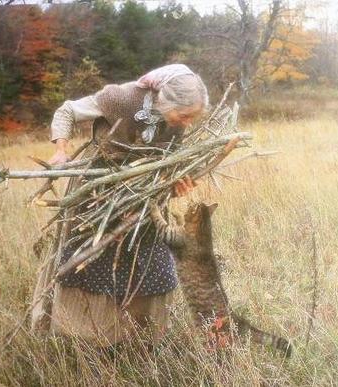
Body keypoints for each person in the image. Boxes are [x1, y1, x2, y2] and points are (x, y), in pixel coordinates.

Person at [31, 64, 210, 347]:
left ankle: (139, 337)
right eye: (185, 115)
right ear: (167, 100)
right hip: (99, 195)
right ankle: (88, 339)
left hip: (145, 201)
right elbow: (67, 111)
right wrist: (61, 150)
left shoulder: (176, 123)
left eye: (193, 118)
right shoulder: (121, 99)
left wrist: (175, 185)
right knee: (91, 261)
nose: (187, 123)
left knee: (151, 262)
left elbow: (167, 168)